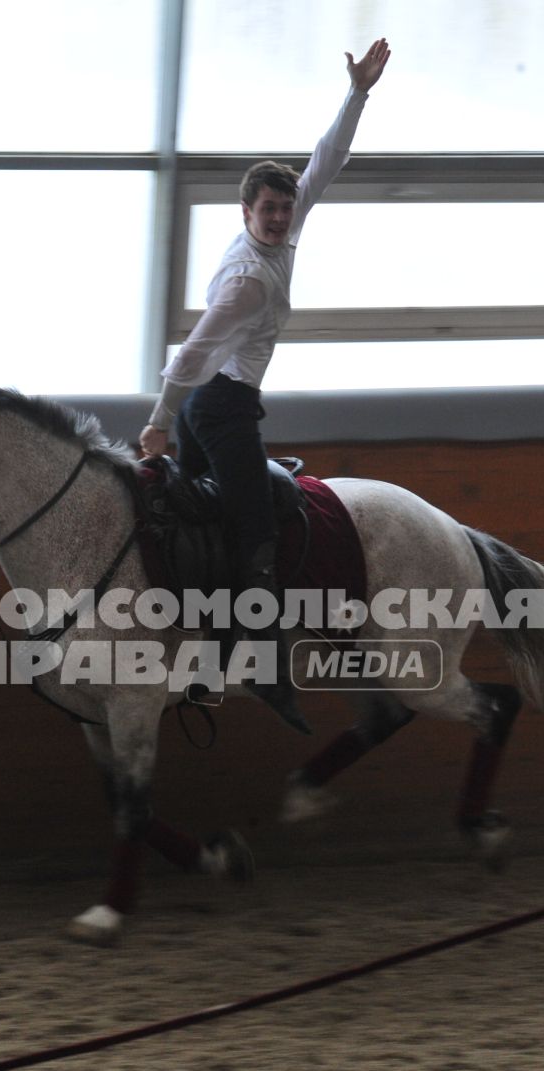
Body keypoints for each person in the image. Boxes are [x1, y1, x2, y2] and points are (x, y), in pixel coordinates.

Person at [139, 37, 391, 735]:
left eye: (286, 207)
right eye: (270, 210)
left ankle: (200, 650)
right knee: (255, 534)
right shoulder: (250, 280)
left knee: (200, 528)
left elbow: (326, 162)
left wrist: (358, 93)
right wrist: (161, 418)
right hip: (217, 410)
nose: (281, 216)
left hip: (211, 407)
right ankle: (265, 667)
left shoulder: (279, 235)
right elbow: (192, 352)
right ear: (246, 213)